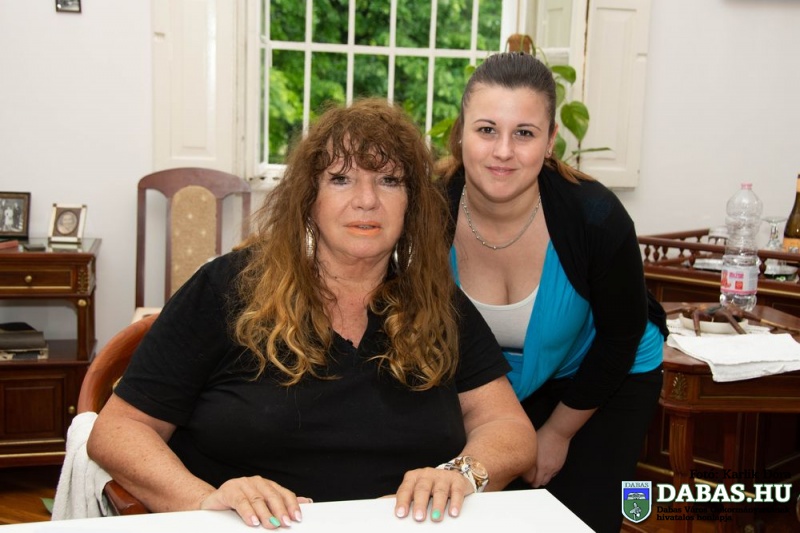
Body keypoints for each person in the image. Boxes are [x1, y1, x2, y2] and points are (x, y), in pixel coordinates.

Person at [87, 98, 537, 529]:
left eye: (389, 181)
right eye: (341, 179)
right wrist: (203, 500)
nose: (366, 200)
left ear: (412, 204)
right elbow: (119, 430)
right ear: (309, 199)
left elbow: (508, 427)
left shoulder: (436, 301)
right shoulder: (226, 288)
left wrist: (462, 473)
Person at [436, 52, 668, 533]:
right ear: (460, 134)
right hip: (484, 386)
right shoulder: (427, 211)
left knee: (574, 521)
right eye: (486, 130)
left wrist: (558, 434)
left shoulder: (596, 218)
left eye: (524, 133)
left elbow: (621, 337)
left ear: (550, 141)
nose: (503, 151)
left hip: (601, 378)